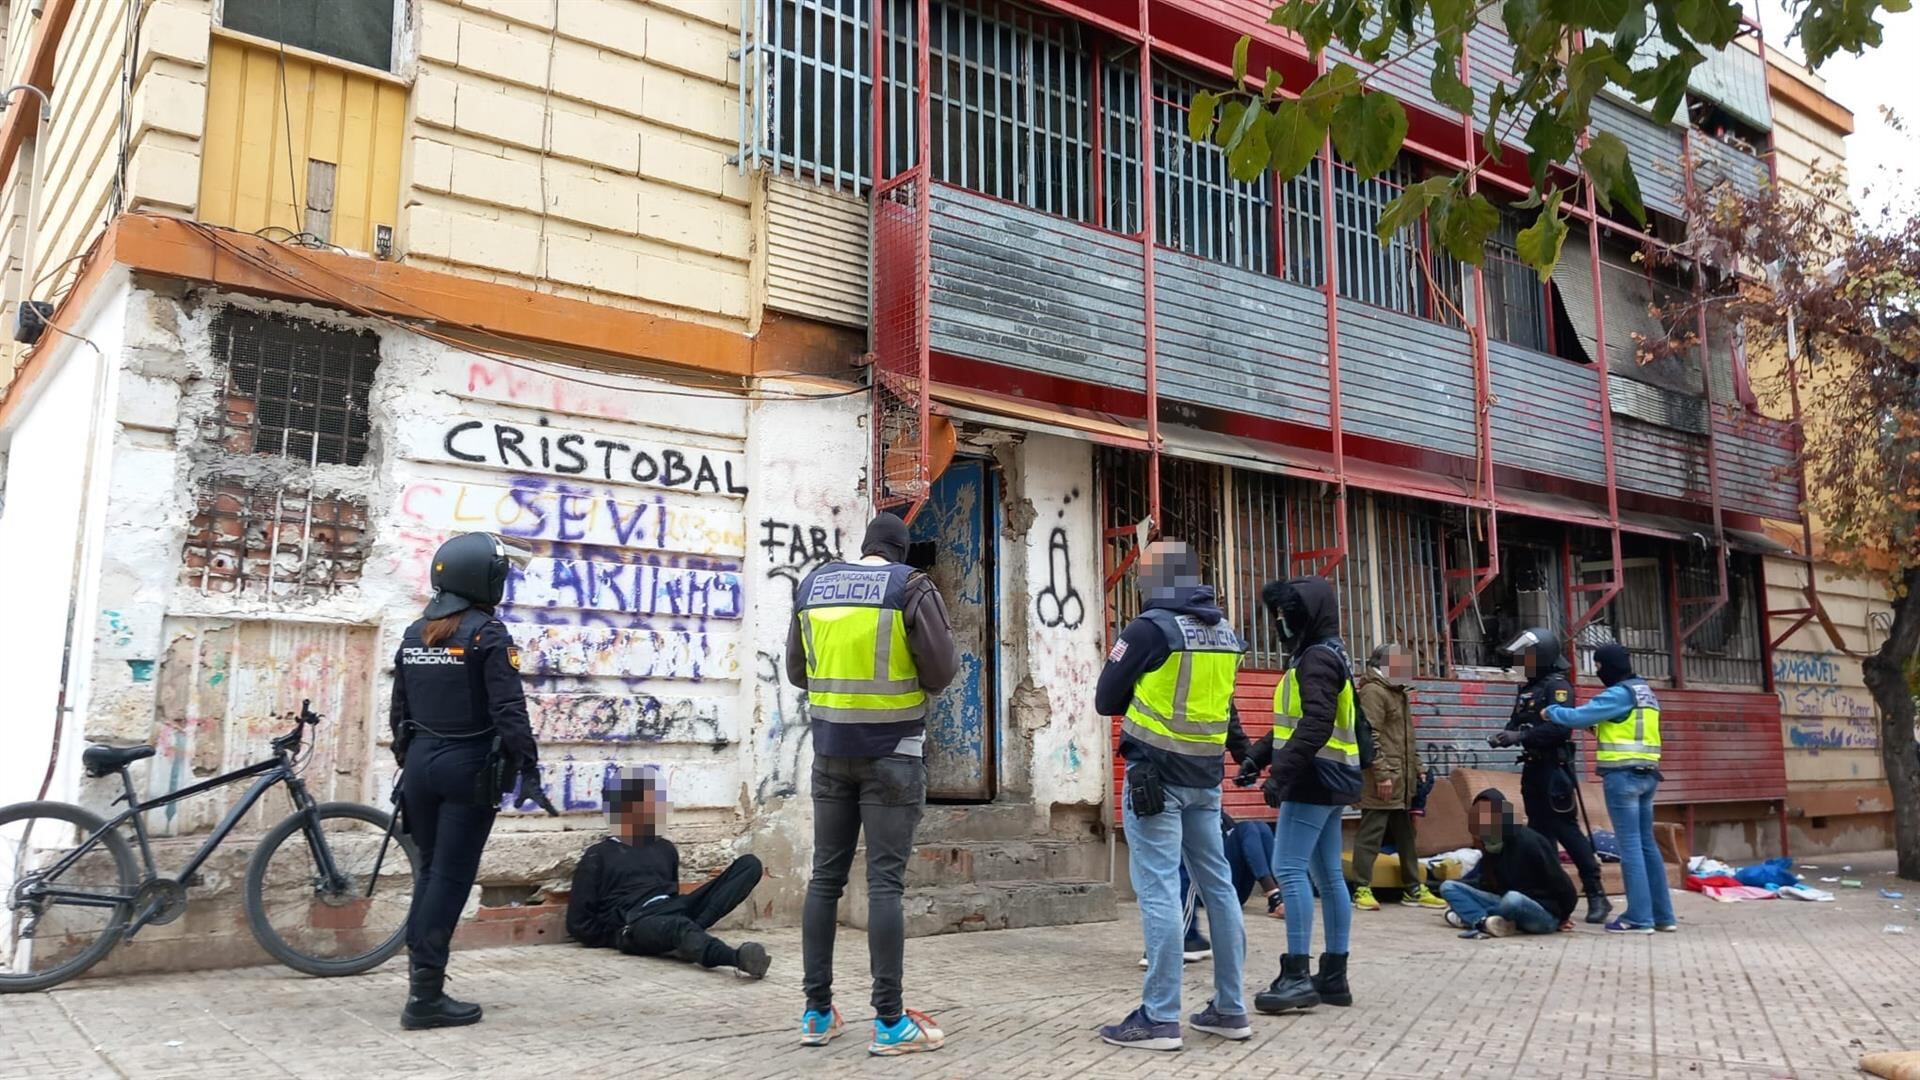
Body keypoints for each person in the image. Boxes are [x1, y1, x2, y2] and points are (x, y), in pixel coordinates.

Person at [788, 513, 960, 1056]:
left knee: (824, 880)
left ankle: (816, 1014)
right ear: (900, 551)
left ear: (862, 547)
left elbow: (797, 671)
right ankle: (889, 1023)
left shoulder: (813, 586)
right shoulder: (910, 586)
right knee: (885, 886)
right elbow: (940, 672)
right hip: (893, 756)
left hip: (830, 752)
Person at [389, 532, 556, 1030]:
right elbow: (509, 710)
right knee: (451, 877)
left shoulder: (415, 633)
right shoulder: (488, 635)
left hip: (420, 763)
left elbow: (399, 710)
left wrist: (409, 760)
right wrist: (527, 767)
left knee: (431, 870)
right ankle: (425, 996)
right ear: (481, 578)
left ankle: (424, 979)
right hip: (467, 769)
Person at [1096, 540, 1253, 1051]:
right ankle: (1230, 1009)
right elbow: (1226, 706)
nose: (1140, 584)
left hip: (1154, 782)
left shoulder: (1150, 628)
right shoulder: (1226, 633)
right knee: (1219, 888)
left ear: (1159, 581)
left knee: (1160, 889)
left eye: (1144, 576)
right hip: (1205, 780)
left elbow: (1105, 698)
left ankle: (1159, 1018)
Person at [1241, 576, 1363, 1015]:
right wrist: (1258, 755)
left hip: (1312, 781)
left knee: (1288, 870)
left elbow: (1316, 725)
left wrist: (1281, 775)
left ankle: (1295, 976)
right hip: (1332, 779)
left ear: (1307, 615)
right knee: (1329, 875)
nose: (1281, 622)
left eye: (1286, 613)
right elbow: (1295, 724)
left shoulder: (1314, 659)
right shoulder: (1330, 654)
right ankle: (1334, 976)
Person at [566, 766, 771, 977]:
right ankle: (735, 958)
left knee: (749, 865)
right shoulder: (597, 856)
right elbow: (578, 924)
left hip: (675, 908)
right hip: (638, 922)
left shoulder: (665, 848)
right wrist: (619, 937)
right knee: (677, 927)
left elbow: (670, 890)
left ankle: (688, 936)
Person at [1544, 643, 1676, 935]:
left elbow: (1576, 717)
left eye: (1600, 666)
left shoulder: (1618, 693)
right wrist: (1596, 725)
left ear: (1610, 665)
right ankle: (1663, 915)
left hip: (1623, 778)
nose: (1599, 672)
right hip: (1648, 776)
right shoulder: (1646, 693)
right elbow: (1622, 726)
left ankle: (1639, 918)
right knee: (1646, 845)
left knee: (1629, 847)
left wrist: (1550, 711)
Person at [1487, 627, 1612, 925]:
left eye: (1524, 658)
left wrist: (1519, 735)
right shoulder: (1529, 688)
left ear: (1540, 656)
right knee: (1540, 837)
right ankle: (1553, 895)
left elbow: (1560, 728)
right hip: (1532, 769)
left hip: (1554, 772)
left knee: (1567, 832)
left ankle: (1596, 893)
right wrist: (1507, 734)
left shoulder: (1557, 687)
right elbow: (1518, 722)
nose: (1520, 664)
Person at [1349, 644, 1445, 912]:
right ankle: (1361, 887)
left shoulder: (1397, 692)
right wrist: (1382, 774)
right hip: (1384, 776)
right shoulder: (1374, 692)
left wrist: (1418, 767)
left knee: (1406, 834)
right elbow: (1369, 736)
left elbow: (1406, 738)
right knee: (1372, 831)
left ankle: (1414, 887)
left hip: (1402, 777)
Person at [1143, 813, 1285, 969]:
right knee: (1247, 828)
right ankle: (1275, 897)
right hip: (1208, 888)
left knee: (1260, 826)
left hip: (1229, 887)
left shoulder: (1217, 816)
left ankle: (1279, 895)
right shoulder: (1201, 815)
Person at [1439, 789, 1579, 938]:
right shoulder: (1491, 844)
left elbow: (1563, 884)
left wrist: (1563, 916)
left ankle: (1470, 917)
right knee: (1448, 886)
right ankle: (1484, 922)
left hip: (1542, 914)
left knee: (1513, 899)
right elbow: (1482, 883)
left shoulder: (1528, 841)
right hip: (1504, 903)